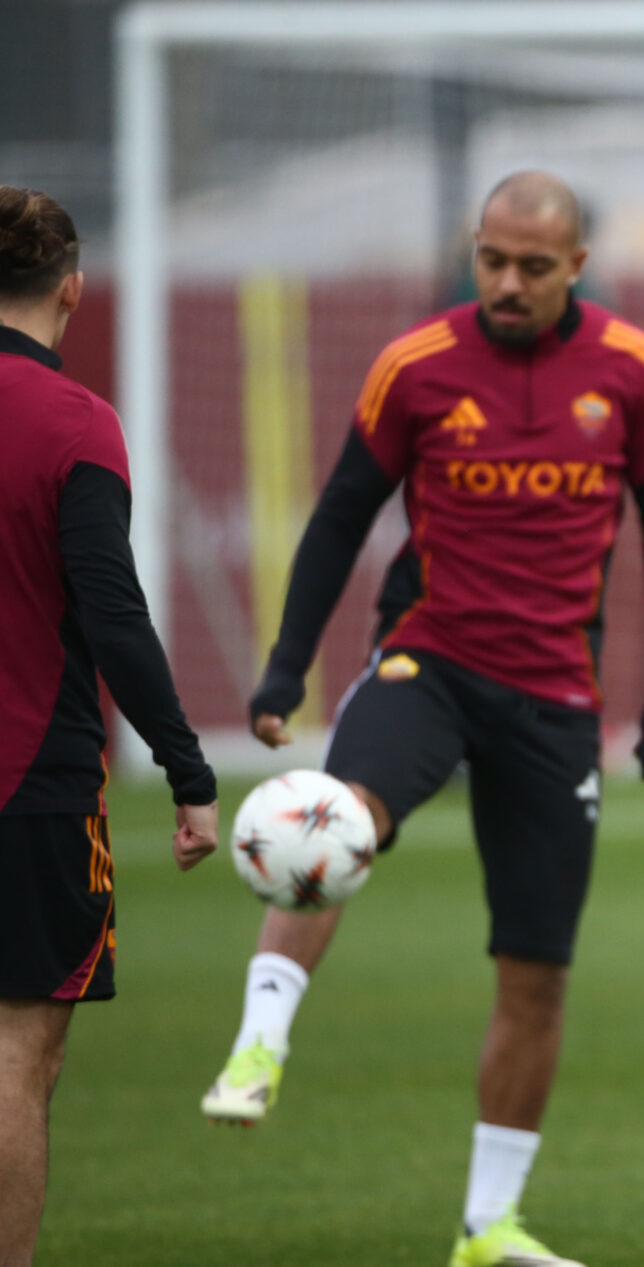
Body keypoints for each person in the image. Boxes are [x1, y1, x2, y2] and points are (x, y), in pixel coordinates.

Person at [198, 170, 644, 1267]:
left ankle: (487, 1228)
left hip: (558, 696)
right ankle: (258, 1044)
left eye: (532, 265)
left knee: (536, 972)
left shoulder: (632, 369)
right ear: (475, 251)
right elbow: (338, 516)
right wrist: (286, 670)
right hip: (429, 659)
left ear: (576, 266)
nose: (507, 283)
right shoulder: (417, 365)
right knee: (337, 817)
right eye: (491, 259)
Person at [0, 186, 220, 1264]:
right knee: (15, 1053)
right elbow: (111, 610)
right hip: (27, 782)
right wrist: (186, 769)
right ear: (74, 289)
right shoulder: (75, 423)